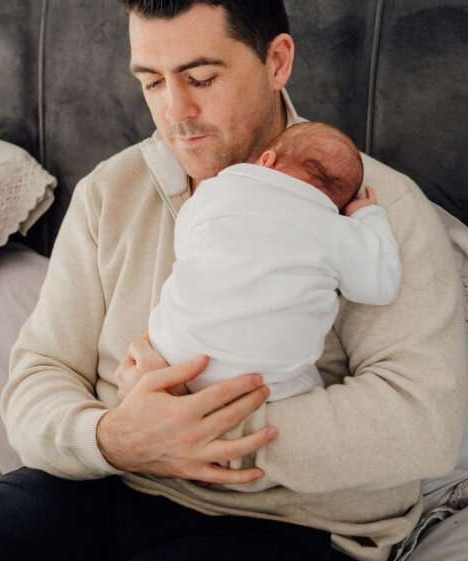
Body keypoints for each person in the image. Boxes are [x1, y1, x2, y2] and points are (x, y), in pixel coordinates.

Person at [0, 0, 467, 561]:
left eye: (200, 75)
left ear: (276, 60)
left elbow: (421, 419)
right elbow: (37, 378)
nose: (175, 112)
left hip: (283, 537)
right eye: (152, 80)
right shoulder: (115, 191)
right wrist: (113, 437)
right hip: (102, 484)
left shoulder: (367, 212)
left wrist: (197, 435)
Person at [148, 121, 402, 402]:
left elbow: (184, 244)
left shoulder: (215, 190)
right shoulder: (337, 231)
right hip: (262, 377)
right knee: (308, 388)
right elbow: (380, 287)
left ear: (267, 160)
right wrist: (367, 217)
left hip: (175, 352)